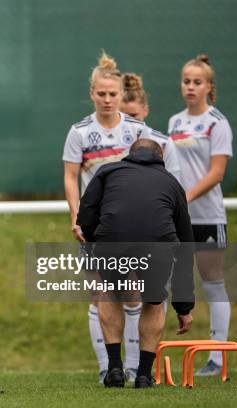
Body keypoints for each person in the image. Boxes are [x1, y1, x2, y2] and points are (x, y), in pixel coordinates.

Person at [62, 52, 180, 383]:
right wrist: (76, 216)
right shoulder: (80, 132)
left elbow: (163, 164)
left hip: (131, 227)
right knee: (100, 294)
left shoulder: (138, 130)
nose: (107, 99)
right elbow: (71, 177)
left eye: (113, 94)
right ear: (92, 94)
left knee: (134, 296)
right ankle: (107, 368)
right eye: (101, 94)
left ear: (121, 95)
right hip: (96, 226)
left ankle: (131, 367)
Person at [77, 138, 195, 388]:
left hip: (112, 239)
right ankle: (143, 375)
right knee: (153, 301)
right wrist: (184, 307)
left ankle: (115, 370)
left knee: (110, 294)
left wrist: (94, 238)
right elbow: (186, 244)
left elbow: (86, 211)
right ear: (161, 157)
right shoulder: (172, 183)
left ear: (129, 154)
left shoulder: (108, 171)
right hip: (159, 242)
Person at [168, 54, 233, 377]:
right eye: (186, 81)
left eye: (197, 82)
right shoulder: (175, 122)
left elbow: (217, 173)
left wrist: (185, 197)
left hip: (208, 216)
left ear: (208, 86)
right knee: (172, 281)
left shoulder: (217, 122)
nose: (190, 87)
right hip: (179, 219)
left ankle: (217, 357)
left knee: (213, 284)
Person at [118, 72, 181, 378]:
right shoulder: (118, 145)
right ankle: (129, 367)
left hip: (158, 233)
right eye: (123, 114)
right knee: (125, 294)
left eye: (133, 115)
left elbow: (177, 189)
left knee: (154, 296)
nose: (128, 120)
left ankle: (143, 366)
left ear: (144, 113)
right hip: (122, 233)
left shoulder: (163, 144)